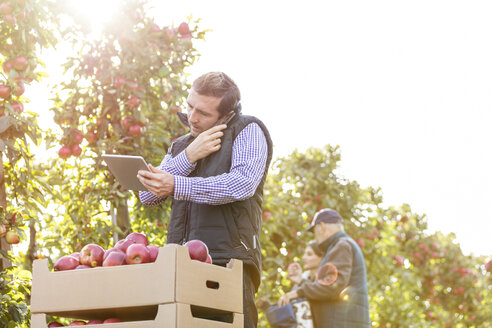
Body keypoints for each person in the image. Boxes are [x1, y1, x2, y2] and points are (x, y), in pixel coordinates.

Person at [137, 72, 273, 328]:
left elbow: (241, 184)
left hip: (228, 261)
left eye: (203, 113)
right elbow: (147, 195)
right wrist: (188, 156)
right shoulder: (181, 146)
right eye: (189, 106)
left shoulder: (247, 130)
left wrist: (177, 184)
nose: (192, 117)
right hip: (181, 265)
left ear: (226, 115)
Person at [278, 209, 370, 328]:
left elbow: (333, 286)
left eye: (314, 231)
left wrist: (297, 292)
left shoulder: (341, 245)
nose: (316, 237)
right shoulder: (342, 245)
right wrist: (301, 280)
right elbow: (326, 284)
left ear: (321, 227)